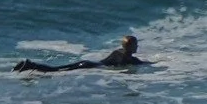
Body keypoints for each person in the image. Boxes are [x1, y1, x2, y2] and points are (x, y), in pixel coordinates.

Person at [14, 34, 150, 74]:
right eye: (136, 45)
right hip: (89, 66)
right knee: (56, 71)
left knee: (58, 69)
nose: (137, 46)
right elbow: (142, 63)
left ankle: (29, 65)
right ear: (131, 47)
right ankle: (29, 65)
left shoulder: (118, 51)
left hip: (88, 63)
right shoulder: (129, 59)